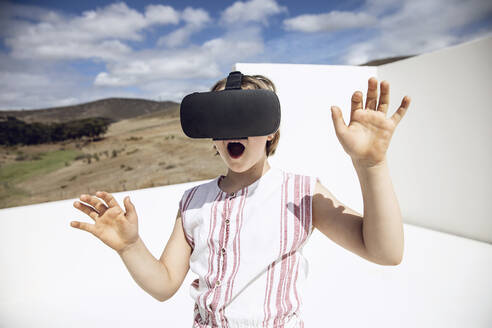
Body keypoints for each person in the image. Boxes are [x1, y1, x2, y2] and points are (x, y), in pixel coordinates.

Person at [70, 73, 411, 327]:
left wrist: (371, 165)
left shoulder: (303, 193)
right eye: (222, 119)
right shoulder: (193, 202)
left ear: (271, 132)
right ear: (212, 136)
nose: (234, 130)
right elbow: (163, 284)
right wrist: (130, 247)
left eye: (248, 116)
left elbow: (385, 251)